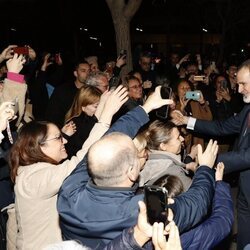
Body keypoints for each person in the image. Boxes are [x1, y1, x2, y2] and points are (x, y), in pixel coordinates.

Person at [58, 86, 218, 249]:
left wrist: (145, 108)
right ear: (132, 172)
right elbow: (195, 205)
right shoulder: (142, 210)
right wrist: (205, 168)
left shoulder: (68, 192)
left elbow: (108, 139)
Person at [8, 86, 128, 250]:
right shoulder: (34, 178)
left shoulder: (35, 172)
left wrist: (99, 113)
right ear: (39, 147)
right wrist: (105, 118)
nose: (64, 141)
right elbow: (82, 162)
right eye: (58, 138)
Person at [171, 58, 250, 250]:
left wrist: (208, 162)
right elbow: (222, 127)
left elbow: (247, 156)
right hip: (246, 186)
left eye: (243, 84)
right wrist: (188, 121)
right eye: (238, 83)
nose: (238, 90)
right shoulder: (248, 109)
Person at [45, 60, 90, 128]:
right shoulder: (63, 91)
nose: (87, 74)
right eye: (83, 71)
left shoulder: (91, 91)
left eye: (89, 71)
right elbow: (52, 115)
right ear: (76, 73)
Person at [64, 85, 102, 158]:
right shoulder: (75, 124)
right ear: (83, 107)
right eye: (96, 106)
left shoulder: (90, 120)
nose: (99, 109)